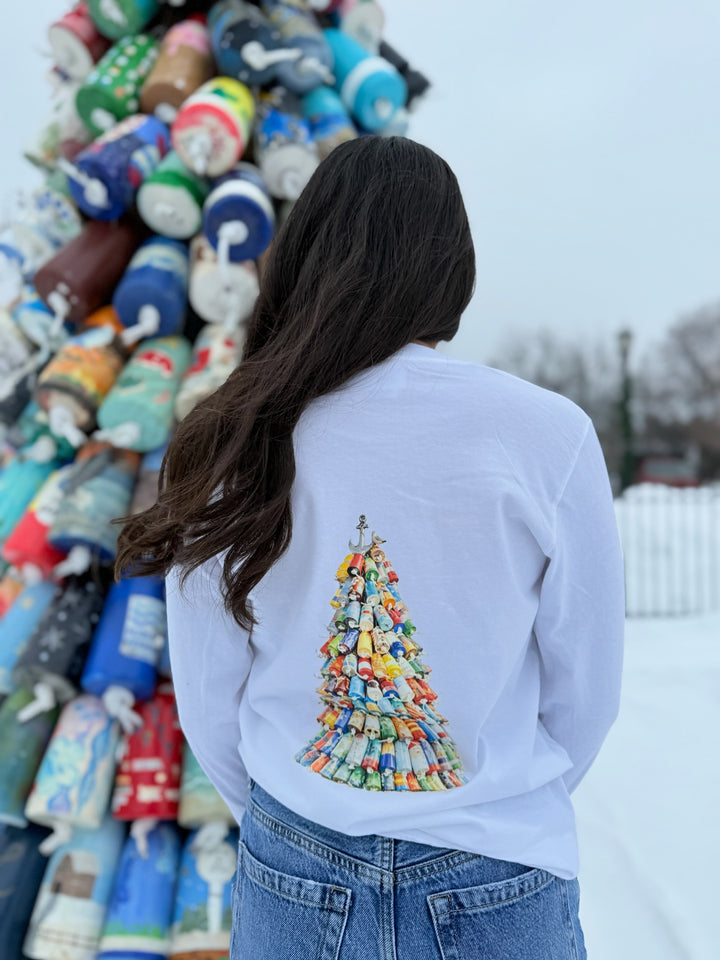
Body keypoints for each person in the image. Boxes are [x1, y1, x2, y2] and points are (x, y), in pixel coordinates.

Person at [116, 136, 624, 960]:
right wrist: (490, 800)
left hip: (296, 861)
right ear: (450, 265)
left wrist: (295, 812)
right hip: (497, 870)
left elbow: (211, 692)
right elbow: (586, 687)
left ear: (307, 251)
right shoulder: (545, 433)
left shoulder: (242, 429)